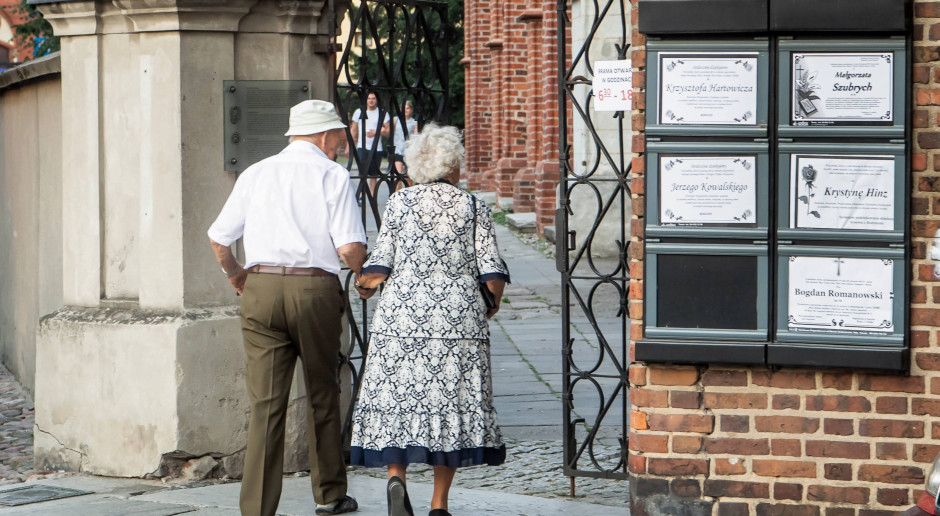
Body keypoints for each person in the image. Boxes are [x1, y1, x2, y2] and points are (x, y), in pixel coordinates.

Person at [208, 100, 366, 516]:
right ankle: (329, 495)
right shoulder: (331, 174)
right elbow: (349, 246)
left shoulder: (255, 173)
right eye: (338, 134)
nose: (341, 141)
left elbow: (220, 240)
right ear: (324, 135)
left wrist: (238, 276)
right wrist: (364, 275)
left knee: (266, 403)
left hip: (259, 288)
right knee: (321, 393)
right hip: (313, 289)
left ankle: (257, 509)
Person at [350, 125, 510, 516]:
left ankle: (396, 479)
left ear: (416, 166)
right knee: (450, 407)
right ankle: (439, 505)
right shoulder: (472, 207)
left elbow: (380, 263)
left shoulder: (400, 203)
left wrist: (365, 284)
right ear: (453, 164)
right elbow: (491, 272)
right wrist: (490, 302)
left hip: (401, 320)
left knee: (398, 402)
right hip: (457, 322)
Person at [348, 91, 390, 199]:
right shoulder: (359, 112)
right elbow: (353, 129)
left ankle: (372, 195)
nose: (371, 100)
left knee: (373, 174)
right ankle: (361, 194)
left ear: (377, 100)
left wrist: (376, 132)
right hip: (362, 146)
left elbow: (388, 130)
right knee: (362, 171)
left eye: (373, 98)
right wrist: (350, 145)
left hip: (377, 147)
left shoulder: (382, 112)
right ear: (366, 100)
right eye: (369, 98)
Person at [390, 100, 417, 189]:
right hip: (397, 150)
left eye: (407, 108)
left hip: (408, 152)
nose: (405, 110)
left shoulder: (414, 122)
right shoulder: (395, 120)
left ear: (411, 110)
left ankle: (408, 195)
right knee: (398, 175)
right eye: (403, 108)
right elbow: (389, 132)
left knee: (408, 178)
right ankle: (397, 195)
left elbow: (416, 137)